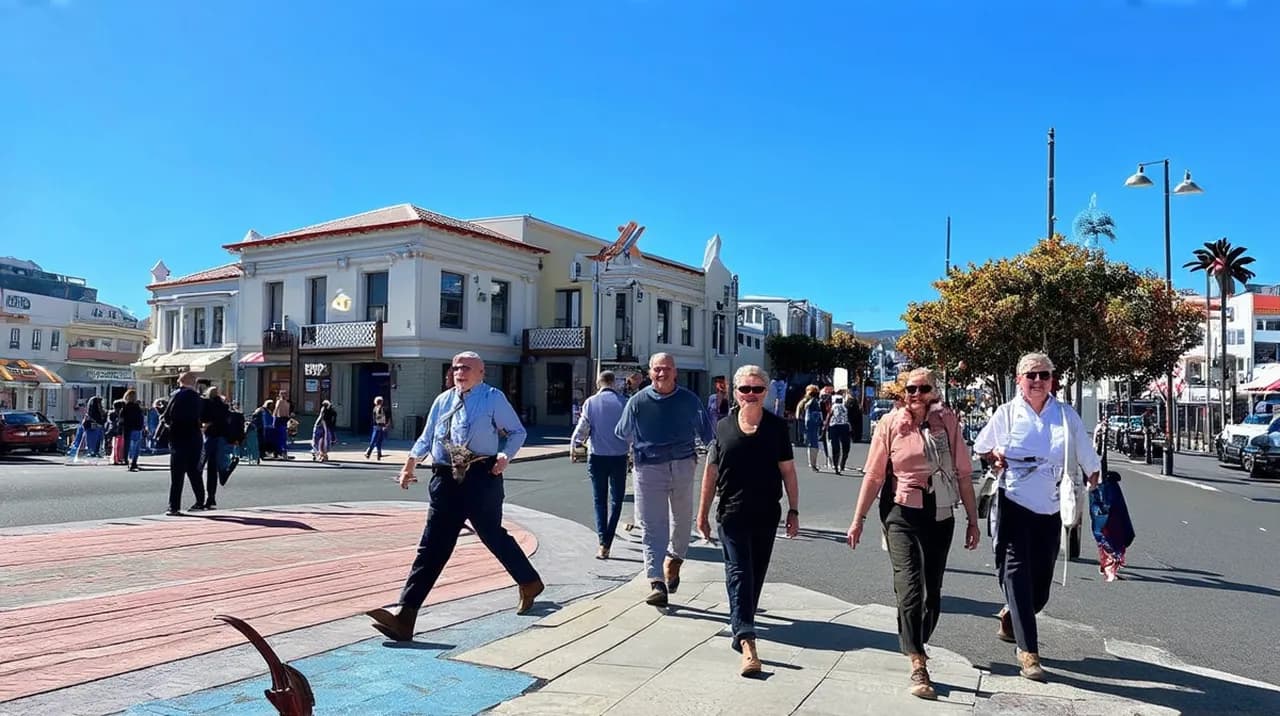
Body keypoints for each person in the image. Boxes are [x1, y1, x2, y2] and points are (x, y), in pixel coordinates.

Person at [365, 352, 543, 641]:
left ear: (482, 372)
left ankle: (529, 581)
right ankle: (405, 616)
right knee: (432, 546)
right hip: (444, 478)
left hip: (481, 475)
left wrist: (504, 457)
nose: (460, 372)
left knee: (491, 534)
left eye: (467, 368)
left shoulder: (492, 398)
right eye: (456, 367)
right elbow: (427, 436)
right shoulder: (443, 400)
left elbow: (516, 432)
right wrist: (410, 464)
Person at [846, 367, 979, 699]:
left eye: (922, 389)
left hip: (940, 513)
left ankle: (917, 639)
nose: (915, 395)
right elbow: (875, 476)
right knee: (910, 587)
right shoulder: (890, 425)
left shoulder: (948, 422)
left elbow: (963, 474)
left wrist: (974, 521)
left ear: (933, 391)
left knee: (932, 593)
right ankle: (917, 661)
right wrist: (858, 518)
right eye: (910, 389)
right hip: (900, 511)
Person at [974, 352, 1100, 682]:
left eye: (1044, 375)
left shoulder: (1064, 415)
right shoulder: (1007, 414)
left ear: (1052, 379)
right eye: (1031, 375)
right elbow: (981, 446)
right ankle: (1028, 652)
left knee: (1041, 585)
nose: (1038, 381)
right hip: (1013, 500)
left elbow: (1087, 454)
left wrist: (1098, 484)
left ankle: (1010, 615)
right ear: (1019, 380)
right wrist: (995, 455)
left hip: (1051, 505)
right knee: (1015, 571)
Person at [696, 365, 800, 677]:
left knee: (754, 575)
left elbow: (789, 472)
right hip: (731, 514)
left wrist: (794, 511)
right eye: (745, 389)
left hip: (767, 514)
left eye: (757, 389)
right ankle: (747, 641)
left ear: (766, 392)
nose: (751, 395)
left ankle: (741, 623)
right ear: (735, 392)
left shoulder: (777, 428)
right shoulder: (724, 427)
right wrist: (701, 514)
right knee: (739, 572)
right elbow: (711, 473)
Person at [614, 352, 716, 607]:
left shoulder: (689, 400)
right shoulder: (637, 401)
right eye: (657, 369)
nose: (662, 373)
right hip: (648, 467)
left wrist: (718, 459)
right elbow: (622, 432)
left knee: (682, 520)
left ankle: (675, 559)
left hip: (682, 464)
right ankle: (656, 580)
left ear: (675, 372)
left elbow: (707, 434)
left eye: (667, 368)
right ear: (649, 373)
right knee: (651, 524)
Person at [571, 370, 630, 559]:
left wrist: (575, 446)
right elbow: (631, 432)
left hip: (597, 456)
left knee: (599, 500)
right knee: (616, 499)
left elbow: (583, 429)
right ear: (614, 383)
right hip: (619, 456)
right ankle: (609, 539)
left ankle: (602, 542)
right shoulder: (625, 403)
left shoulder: (590, 403)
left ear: (599, 383)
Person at [162, 372, 207, 515]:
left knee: (177, 474)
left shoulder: (177, 395)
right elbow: (204, 417)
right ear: (194, 382)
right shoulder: (199, 398)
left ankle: (174, 506)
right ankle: (200, 501)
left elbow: (167, 416)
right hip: (195, 437)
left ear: (180, 381)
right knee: (194, 471)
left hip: (178, 436)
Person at [1090, 470, 1134, 583]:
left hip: (1098, 484)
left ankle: (1109, 561)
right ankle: (1110, 563)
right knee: (1107, 530)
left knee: (1104, 529)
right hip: (1101, 487)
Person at [201, 386, 230, 509]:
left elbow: (203, 420)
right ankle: (211, 497)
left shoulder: (207, 404)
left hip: (210, 437)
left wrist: (204, 425)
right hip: (222, 438)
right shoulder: (223, 406)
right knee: (214, 468)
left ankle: (204, 498)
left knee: (201, 466)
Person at [795, 385, 823, 471]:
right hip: (812, 424)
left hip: (807, 424)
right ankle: (813, 464)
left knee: (811, 444)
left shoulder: (803, 401)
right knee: (814, 444)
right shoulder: (812, 401)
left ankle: (812, 463)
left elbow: (798, 415)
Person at [825, 393, 853, 474]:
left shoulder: (833, 407)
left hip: (834, 427)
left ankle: (836, 466)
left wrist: (825, 427)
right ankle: (842, 464)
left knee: (835, 447)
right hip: (844, 427)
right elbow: (849, 419)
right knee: (845, 447)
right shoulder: (845, 408)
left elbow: (828, 417)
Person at [120, 390, 146, 472]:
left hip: (130, 429)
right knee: (134, 447)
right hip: (135, 428)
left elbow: (121, 420)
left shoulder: (125, 407)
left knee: (131, 446)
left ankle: (130, 462)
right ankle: (132, 462)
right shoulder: (135, 407)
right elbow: (141, 418)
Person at [366, 396, 393, 460]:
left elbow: (377, 418)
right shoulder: (382, 408)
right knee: (379, 440)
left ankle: (370, 452)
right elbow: (386, 417)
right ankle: (378, 454)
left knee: (374, 440)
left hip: (378, 426)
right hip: (381, 426)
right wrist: (386, 425)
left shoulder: (376, 408)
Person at [273, 390, 292, 459]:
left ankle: (277, 452)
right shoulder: (288, 403)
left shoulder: (279, 402)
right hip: (285, 420)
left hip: (278, 420)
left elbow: (276, 410)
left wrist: (273, 418)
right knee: (283, 437)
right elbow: (287, 414)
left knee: (276, 437)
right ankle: (284, 452)